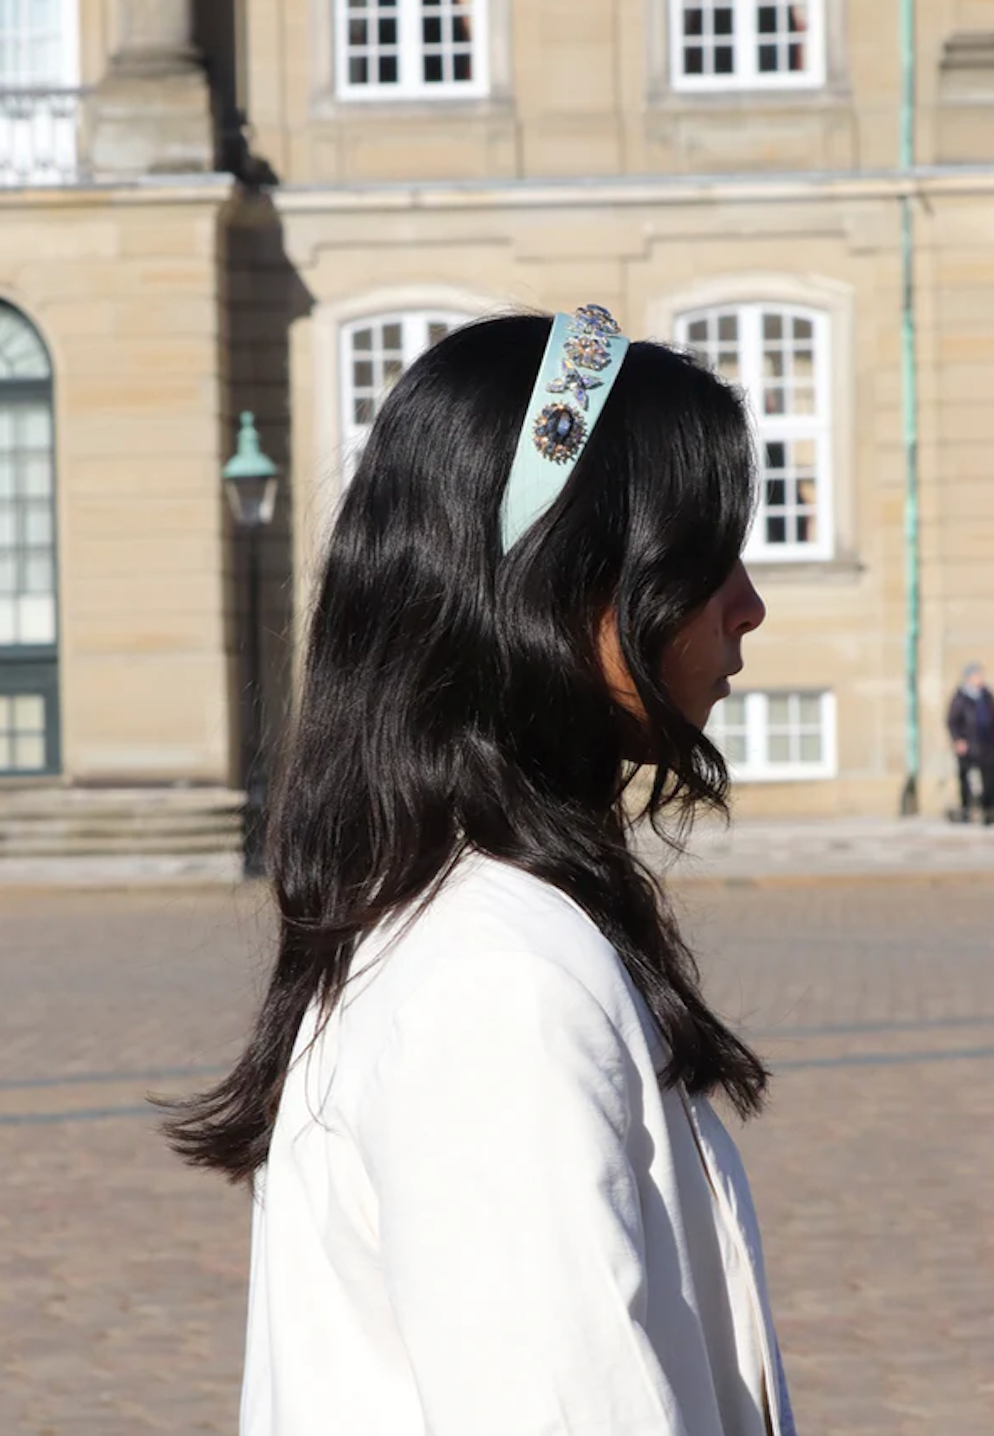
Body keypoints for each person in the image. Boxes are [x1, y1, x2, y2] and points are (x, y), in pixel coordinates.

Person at [165, 306, 797, 1436]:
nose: (747, 603)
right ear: (559, 587)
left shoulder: (469, 920)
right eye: (702, 556)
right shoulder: (494, 978)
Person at [947, 662, 994, 823]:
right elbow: (952, 721)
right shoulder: (961, 697)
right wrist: (958, 740)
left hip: (987, 744)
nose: (980, 678)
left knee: (989, 777)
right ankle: (967, 809)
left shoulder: (986, 695)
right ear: (969, 677)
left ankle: (988, 809)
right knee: (966, 778)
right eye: (977, 675)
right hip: (968, 743)